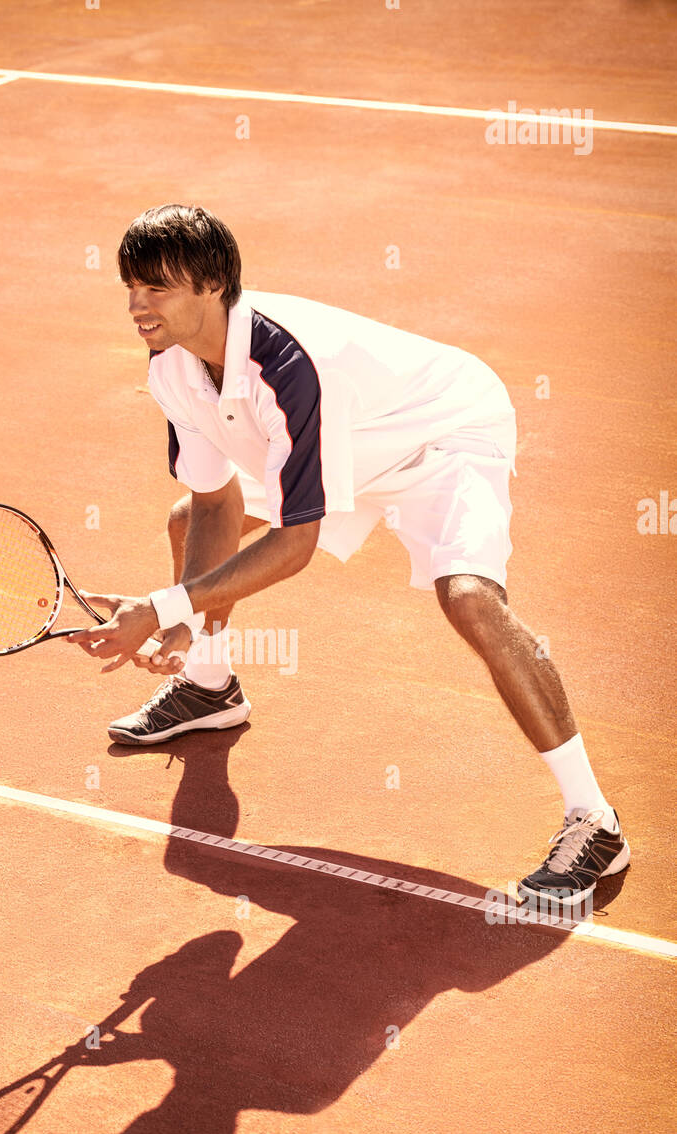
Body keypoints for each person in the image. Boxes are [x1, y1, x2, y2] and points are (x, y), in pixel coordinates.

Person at [66, 204, 630, 910]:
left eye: (156, 288)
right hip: (348, 447)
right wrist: (180, 626)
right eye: (131, 287)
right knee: (187, 521)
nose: (135, 305)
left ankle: (596, 822)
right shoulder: (172, 366)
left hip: (439, 439)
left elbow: (295, 545)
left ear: (213, 285)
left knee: (471, 599)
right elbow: (216, 505)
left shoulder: (289, 363)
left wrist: (165, 605)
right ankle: (209, 687)